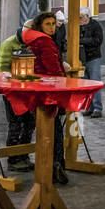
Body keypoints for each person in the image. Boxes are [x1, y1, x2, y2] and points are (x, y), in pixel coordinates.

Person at [22, 12, 72, 184]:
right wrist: (62, 85)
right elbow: (52, 69)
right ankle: (55, 166)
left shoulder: (34, 40)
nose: (52, 27)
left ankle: (50, 165)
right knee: (54, 131)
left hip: (37, 90)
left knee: (48, 129)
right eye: (48, 24)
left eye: (53, 24)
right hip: (48, 92)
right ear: (40, 26)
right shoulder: (44, 42)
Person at [0, 24, 34, 172]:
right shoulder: (8, 44)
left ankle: (24, 155)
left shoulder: (34, 43)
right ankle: (13, 159)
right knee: (16, 123)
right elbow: (1, 69)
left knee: (30, 123)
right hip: (12, 90)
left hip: (29, 90)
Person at [79, 11, 103, 117]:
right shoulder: (77, 26)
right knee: (85, 85)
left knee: (95, 83)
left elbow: (97, 41)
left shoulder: (95, 25)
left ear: (87, 16)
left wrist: (82, 41)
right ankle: (89, 107)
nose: (79, 19)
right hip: (81, 59)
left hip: (93, 57)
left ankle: (97, 108)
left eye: (81, 17)